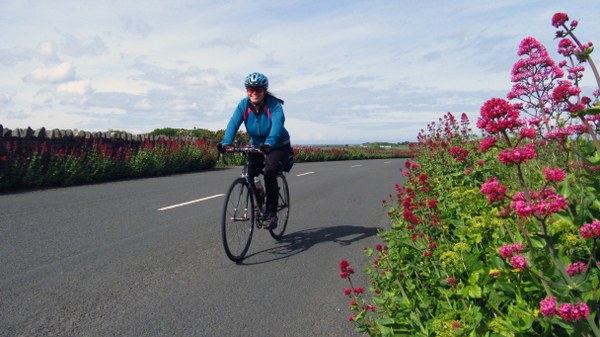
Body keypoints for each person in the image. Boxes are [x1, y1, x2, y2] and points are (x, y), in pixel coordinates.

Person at [217, 72, 293, 229]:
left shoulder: (273, 105)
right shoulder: (243, 105)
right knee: (250, 174)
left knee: (270, 171)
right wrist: (226, 142)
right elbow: (233, 123)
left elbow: (278, 124)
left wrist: (270, 142)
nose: (254, 93)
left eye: (257, 89)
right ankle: (259, 199)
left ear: (264, 91)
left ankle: (272, 214)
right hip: (258, 145)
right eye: (250, 89)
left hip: (277, 145)